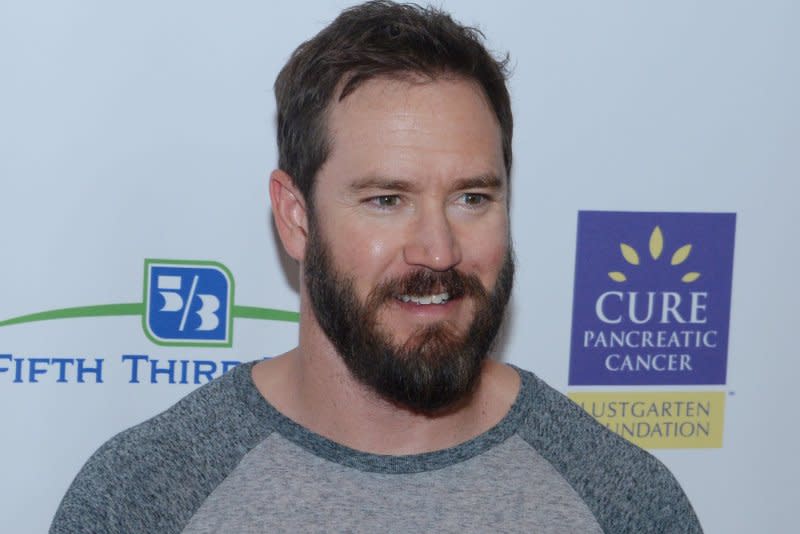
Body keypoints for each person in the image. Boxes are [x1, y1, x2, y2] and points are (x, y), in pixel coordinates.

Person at [50, 2, 702, 532]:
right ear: (296, 216)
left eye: (472, 198)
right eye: (387, 200)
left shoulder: (622, 502)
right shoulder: (145, 498)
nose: (438, 251)